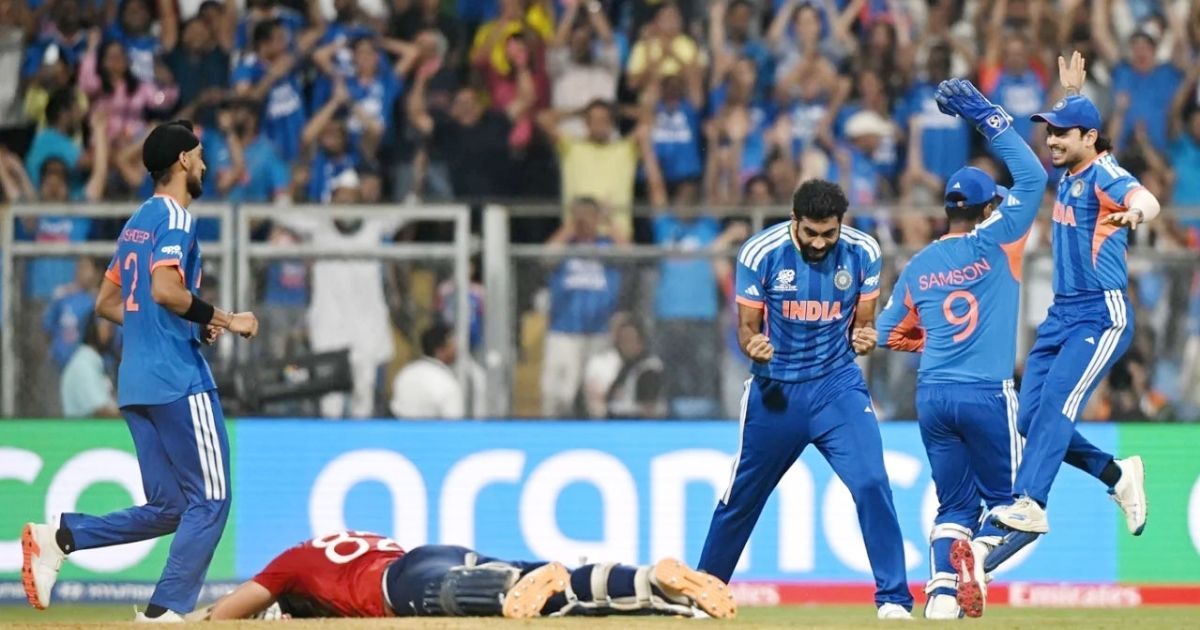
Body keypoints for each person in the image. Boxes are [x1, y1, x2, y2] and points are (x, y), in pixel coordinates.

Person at [20, 120, 260, 620]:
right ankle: (163, 614)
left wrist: (187, 324)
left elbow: (108, 303)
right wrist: (226, 319)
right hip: (178, 379)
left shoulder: (137, 222)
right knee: (212, 499)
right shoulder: (176, 216)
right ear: (182, 161)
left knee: (170, 507)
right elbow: (166, 290)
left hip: (136, 382)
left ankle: (61, 537)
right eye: (199, 155)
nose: (204, 164)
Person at [698, 179, 913, 620]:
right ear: (794, 220)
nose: (818, 242)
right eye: (810, 232)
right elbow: (747, 328)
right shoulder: (760, 253)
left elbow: (863, 323)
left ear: (841, 224)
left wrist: (865, 336)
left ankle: (894, 600)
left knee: (872, 483)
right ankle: (703, 595)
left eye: (828, 233)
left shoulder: (864, 251)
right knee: (742, 498)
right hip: (776, 391)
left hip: (837, 387)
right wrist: (754, 345)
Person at [876, 79, 1044, 619]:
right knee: (1021, 509)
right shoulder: (1000, 238)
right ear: (991, 206)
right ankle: (978, 560)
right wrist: (985, 115)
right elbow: (1034, 176)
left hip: (934, 394)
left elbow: (885, 333)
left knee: (953, 505)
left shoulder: (919, 264)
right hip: (988, 394)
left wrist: (930, 339)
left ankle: (942, 597)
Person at [989, 53, 1153, 545]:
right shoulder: (1071, 168)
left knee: (1058, 402)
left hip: (1101, 314)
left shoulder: (1105, 174)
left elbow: (1144, 197)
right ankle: (1117, 475)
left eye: (1063, 133)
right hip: (1061, 314)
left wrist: (1137, 214)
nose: (1052, 140)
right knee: (1030, 419)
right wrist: (1073, 95)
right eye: (1050, 132)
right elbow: (1076, 128)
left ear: (1090, 138)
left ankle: (1031, 502)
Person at [192, 531, 735, 620]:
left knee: (453, 598)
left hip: (399, 583)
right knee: (561, 585)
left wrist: (188, 617)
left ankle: (505, 593)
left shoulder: (287, 566)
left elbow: (224, 615)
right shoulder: (339, 544)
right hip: (432, 552)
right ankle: (652, 581)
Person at [390, 323, 468, 419]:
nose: (456, 348)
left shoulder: (406, 373)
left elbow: (395, 410)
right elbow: (454, 424)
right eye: (452, 344)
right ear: (439, 351)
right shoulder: (446, 382)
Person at [60, 313, 120, 418]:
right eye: (108, 328)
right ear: (93, 329)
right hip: (83, 427)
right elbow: (101, 410)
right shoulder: (84, 364)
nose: (111, 335)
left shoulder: (93, 361)